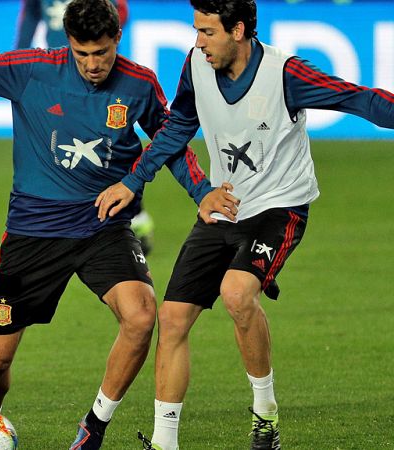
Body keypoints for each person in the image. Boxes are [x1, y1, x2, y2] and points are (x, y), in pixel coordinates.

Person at [0, 1, 236, 448]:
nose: (92, 64)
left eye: (102, 53)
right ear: (68, 43)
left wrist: (201, 190)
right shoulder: (32, 69)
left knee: (142, 315)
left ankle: (94, 426)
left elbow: (167, 142)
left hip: (102, 226)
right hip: (32, 232)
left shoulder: (139, 83)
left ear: (117, 41)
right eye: (82, 53)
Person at [91, 1, 394, 448]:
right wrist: (133, 182)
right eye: (196, 30)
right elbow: (177, 128)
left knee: (236, 293)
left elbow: (357, 98)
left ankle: (265, 415)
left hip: (280, 207)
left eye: (207, 32)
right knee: (172, 318)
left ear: (238, 30)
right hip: (226, 204)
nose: (198, 42)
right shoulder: (196, 64)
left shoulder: (285, 73)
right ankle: (164, 441)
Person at [13, 0, 157, 256]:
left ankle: (134, 213)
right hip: (58, 75)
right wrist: (19, 57)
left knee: (108, 142)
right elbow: (30, 13)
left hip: (94, 75)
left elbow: (119, 11)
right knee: (63, 148)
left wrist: (97, 42)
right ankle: (71, 217)